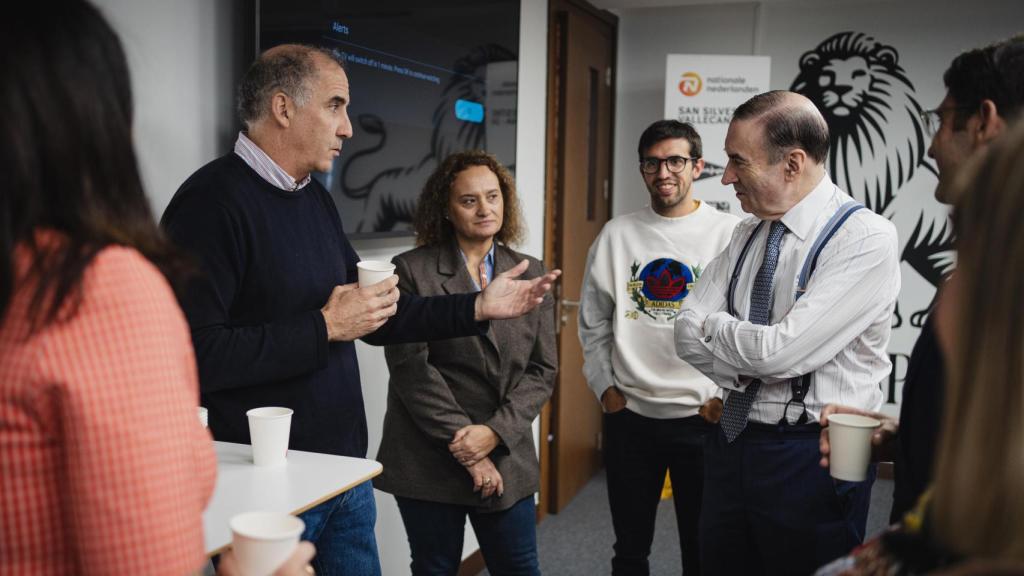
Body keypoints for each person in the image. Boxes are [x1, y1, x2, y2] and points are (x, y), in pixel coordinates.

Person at [161, 45, 559, 576]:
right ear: (283, 108)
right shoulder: (210, 203)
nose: (348, 128)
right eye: (336, 106)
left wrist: (477, 307)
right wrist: (324, 326)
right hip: (270, 486)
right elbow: (196, 355)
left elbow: (376, 316)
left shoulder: (314, 198)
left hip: (343, 473)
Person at [673, 90, 901, 575]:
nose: (726, 176)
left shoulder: (864, 239)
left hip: (811, 457)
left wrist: (716, 325)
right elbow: (684, 332)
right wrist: (743, 353)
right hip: (731, 443)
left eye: (738, 161)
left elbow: (781, 354)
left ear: (792, 164)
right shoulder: (746, 232)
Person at [819, 35, 1024, 523]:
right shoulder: (989, 253)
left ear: (984, 122)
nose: (931, 144)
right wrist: (905, 435)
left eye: (940, 121)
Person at [374, 151, 556, 575]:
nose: (485, 208)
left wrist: (493, 435)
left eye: (493, 196)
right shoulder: (412, 270)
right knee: (435, 566)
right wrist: (470, 450)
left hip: (505, 447)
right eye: (469, 200)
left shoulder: (530, 272)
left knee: (519, 567)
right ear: (446, 208)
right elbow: (411, 370)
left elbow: (542, 370)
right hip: (429, 453)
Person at [577, 120, 739, 575]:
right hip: (631, 416)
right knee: (629, 549)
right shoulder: (617, 234)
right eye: (652, 162)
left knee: (703, 546)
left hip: (701, 418)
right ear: (642, 169)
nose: (663, 172)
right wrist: (605, 388)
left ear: (698, 166)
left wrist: (724, 398)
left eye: (675, 160)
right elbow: (593, 322)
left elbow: (745, 326)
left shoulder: (730, 233)